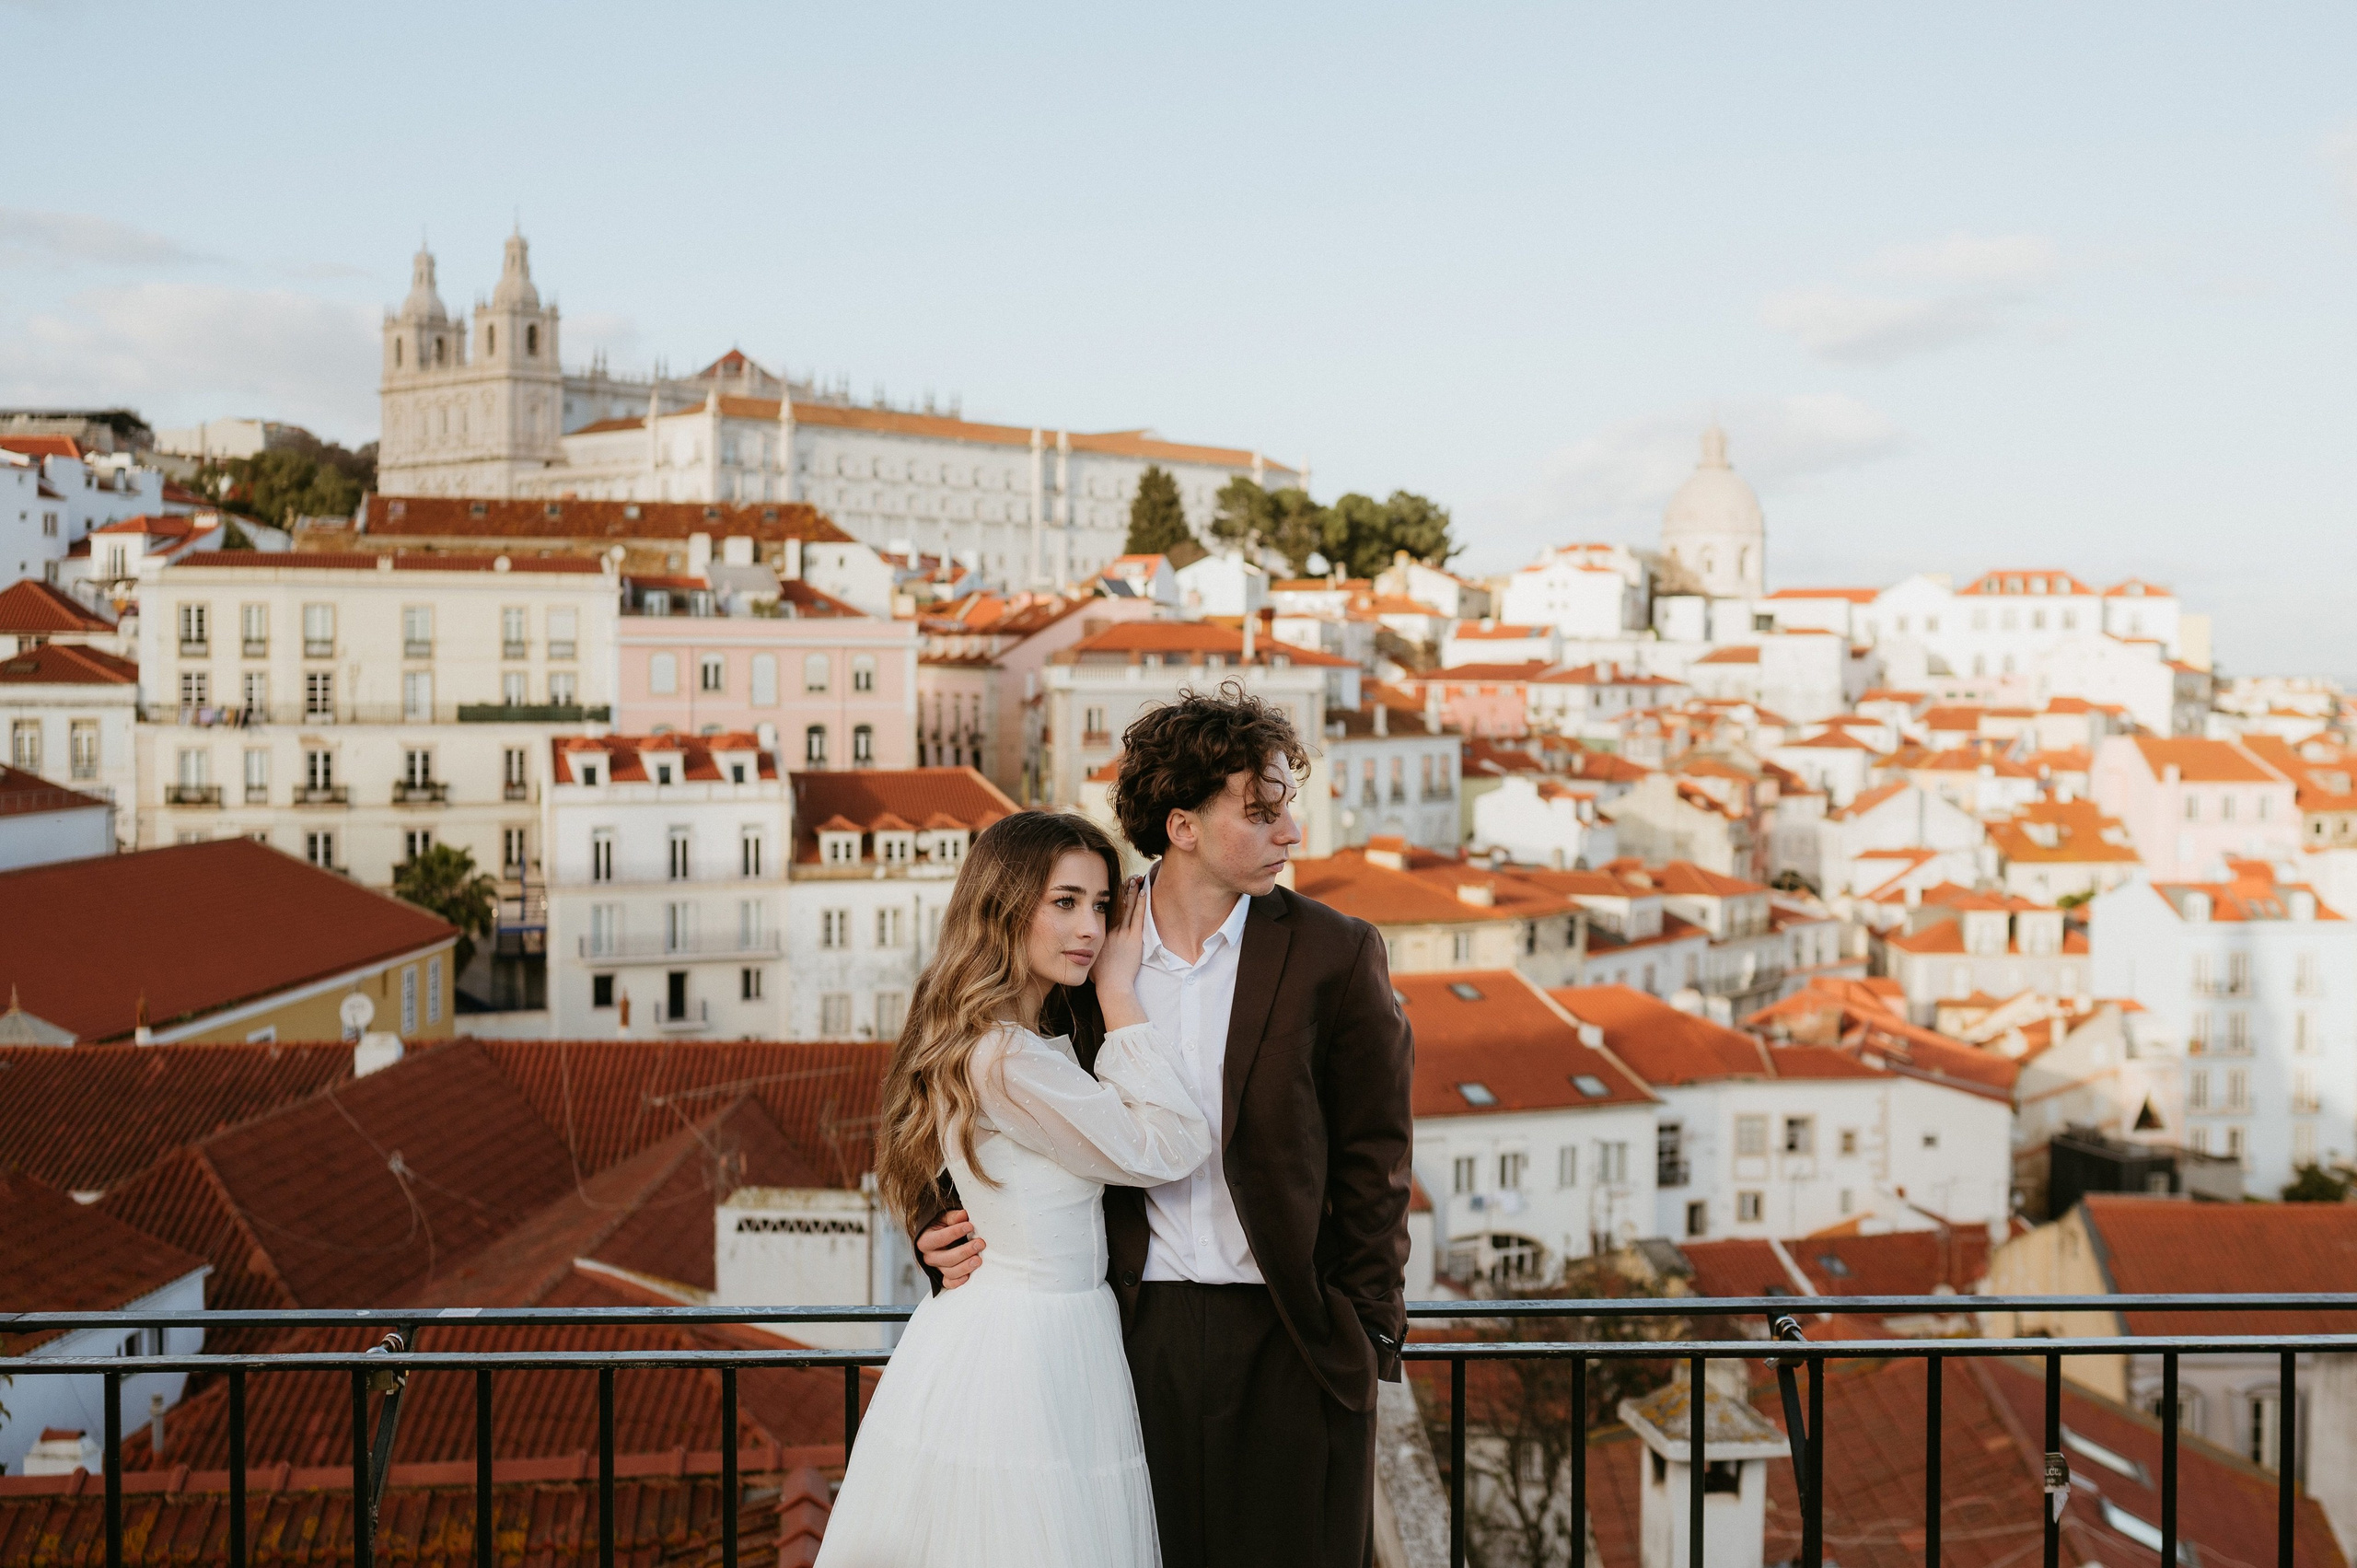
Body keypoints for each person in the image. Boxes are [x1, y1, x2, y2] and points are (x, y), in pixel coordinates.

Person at [916, 685, 1417, 1568]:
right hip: (1122, 1335)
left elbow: (1376, 1156)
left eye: (1286, 807)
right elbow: (958, 1083)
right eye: (1260, 813)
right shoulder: (1075, 950)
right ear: (1182, 824)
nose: (1290, 832)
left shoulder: (1336, 953)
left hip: (1291, 1336)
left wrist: (1366, 1332)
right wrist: (938, 1222)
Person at [817, 809, 1213, 1567]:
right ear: (1004, 905)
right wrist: (1122, 990)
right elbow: (1172, 1144)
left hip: (1051, 1329)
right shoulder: (1002, 1057)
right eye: (1064, 902)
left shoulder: (1026, 1033)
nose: (1092, 928)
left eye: (1101, 905)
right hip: (1026, 1344)